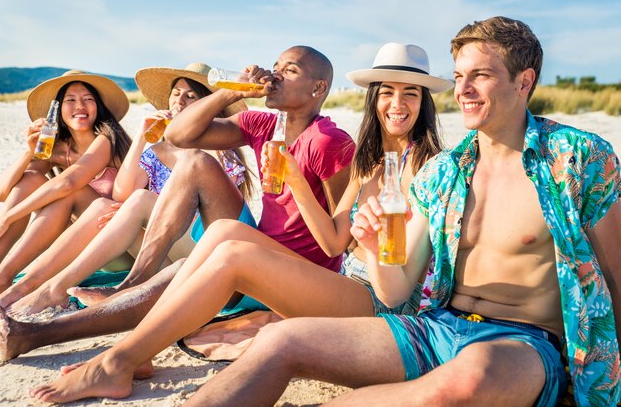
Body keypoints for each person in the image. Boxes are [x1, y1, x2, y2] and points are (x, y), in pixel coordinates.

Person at [177, 17, 621, 407]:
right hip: (436, 326)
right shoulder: (447, 172)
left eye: (480, 76)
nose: (463, 90)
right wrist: (372, 248)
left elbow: (614, 273)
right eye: (459, 76)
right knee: (281, 338)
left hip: (524, 342)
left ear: (524, 82)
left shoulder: (579, 159)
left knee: (467, 380)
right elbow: (395, 293)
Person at [24, 43, 455, 403]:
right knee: (225, 234)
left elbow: (376, 276)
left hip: (380, 304)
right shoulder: (369, 162)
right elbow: (335, 239)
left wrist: (365, 237)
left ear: (425, 103)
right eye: (387, 92)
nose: (396, 105)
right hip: (347, 280)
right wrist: (288, 172)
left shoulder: (429, 166)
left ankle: (117, 361)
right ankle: (131, 351)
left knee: (231, 251)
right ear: (373, 98)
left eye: (411, 94)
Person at [0, 45, 353, 364]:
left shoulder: (328, 141)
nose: (274, 74)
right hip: (261, 241)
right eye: (275, 64)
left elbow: (338, 242)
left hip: (298, 272)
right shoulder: (262, 123)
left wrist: (294, 180)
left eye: (288, 70)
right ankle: (130, 285)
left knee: (183, 271)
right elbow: (179, 136)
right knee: (195, 161)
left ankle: (39, 332)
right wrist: (229, 91)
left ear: (318, 88)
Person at [0, 63, 254, 315]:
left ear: (206, 105)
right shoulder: (158, 151)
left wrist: (140, 210)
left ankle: (44, 288)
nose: (180, 101)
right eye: (176, 94)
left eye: (191, 96)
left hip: (202, 248)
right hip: (161, 250)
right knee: (106, 204)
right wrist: (143, 136)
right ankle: (26, 287)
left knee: (137, 200)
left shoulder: (219, 148)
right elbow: (122, 193)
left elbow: (220, 215)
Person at [0, 71, 132, 299]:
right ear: (57, 109)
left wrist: (6, 219)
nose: (80, 105)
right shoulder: (55, 148)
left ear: (98, 106)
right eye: (70, 100)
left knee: (70, 189)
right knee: (32, 178)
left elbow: (70, 181)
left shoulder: (107, 138)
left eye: (88, 99)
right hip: (74, 245)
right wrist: (29, 152)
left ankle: (3, 277)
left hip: (118, 246)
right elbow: (3, 194)